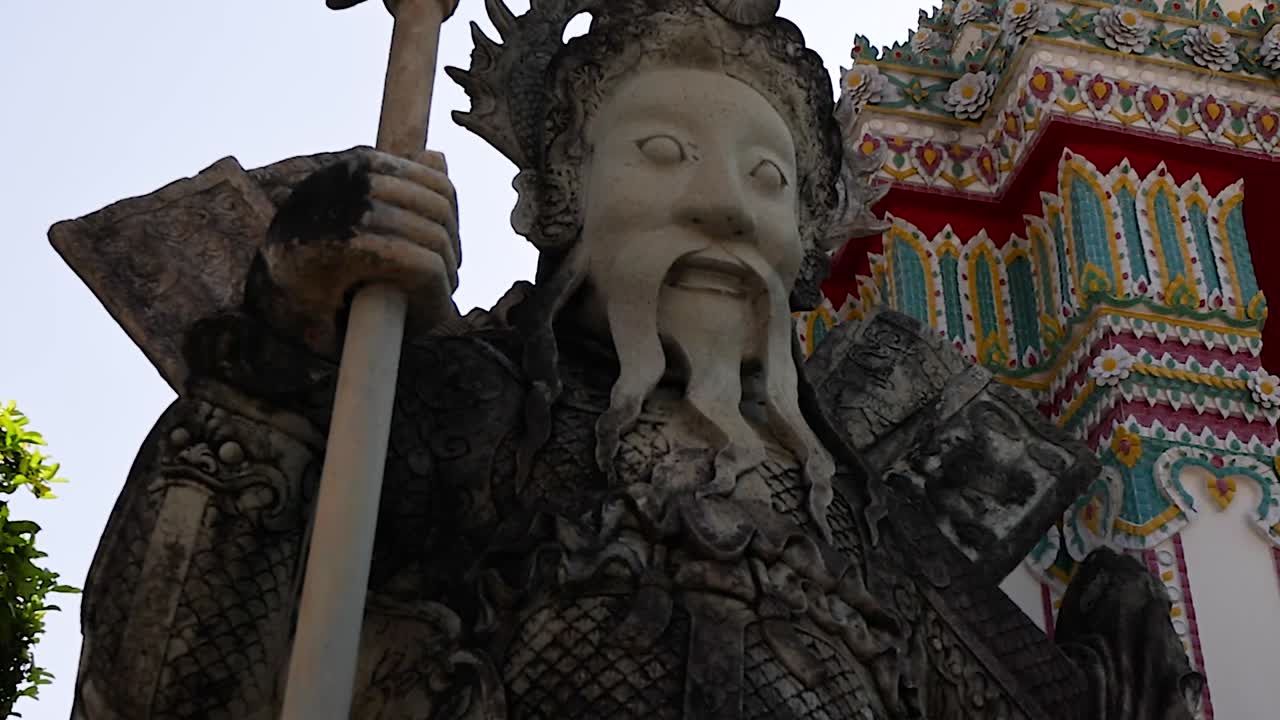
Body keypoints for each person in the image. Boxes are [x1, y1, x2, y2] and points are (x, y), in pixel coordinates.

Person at [61, 1, 1192, 718]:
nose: (723, 207)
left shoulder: (859, 522)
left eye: (769, 181)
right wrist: (281, 344)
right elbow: (173, 682)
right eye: (661, 153)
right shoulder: (444, 414)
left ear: (807, 241)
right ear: (562, 198)